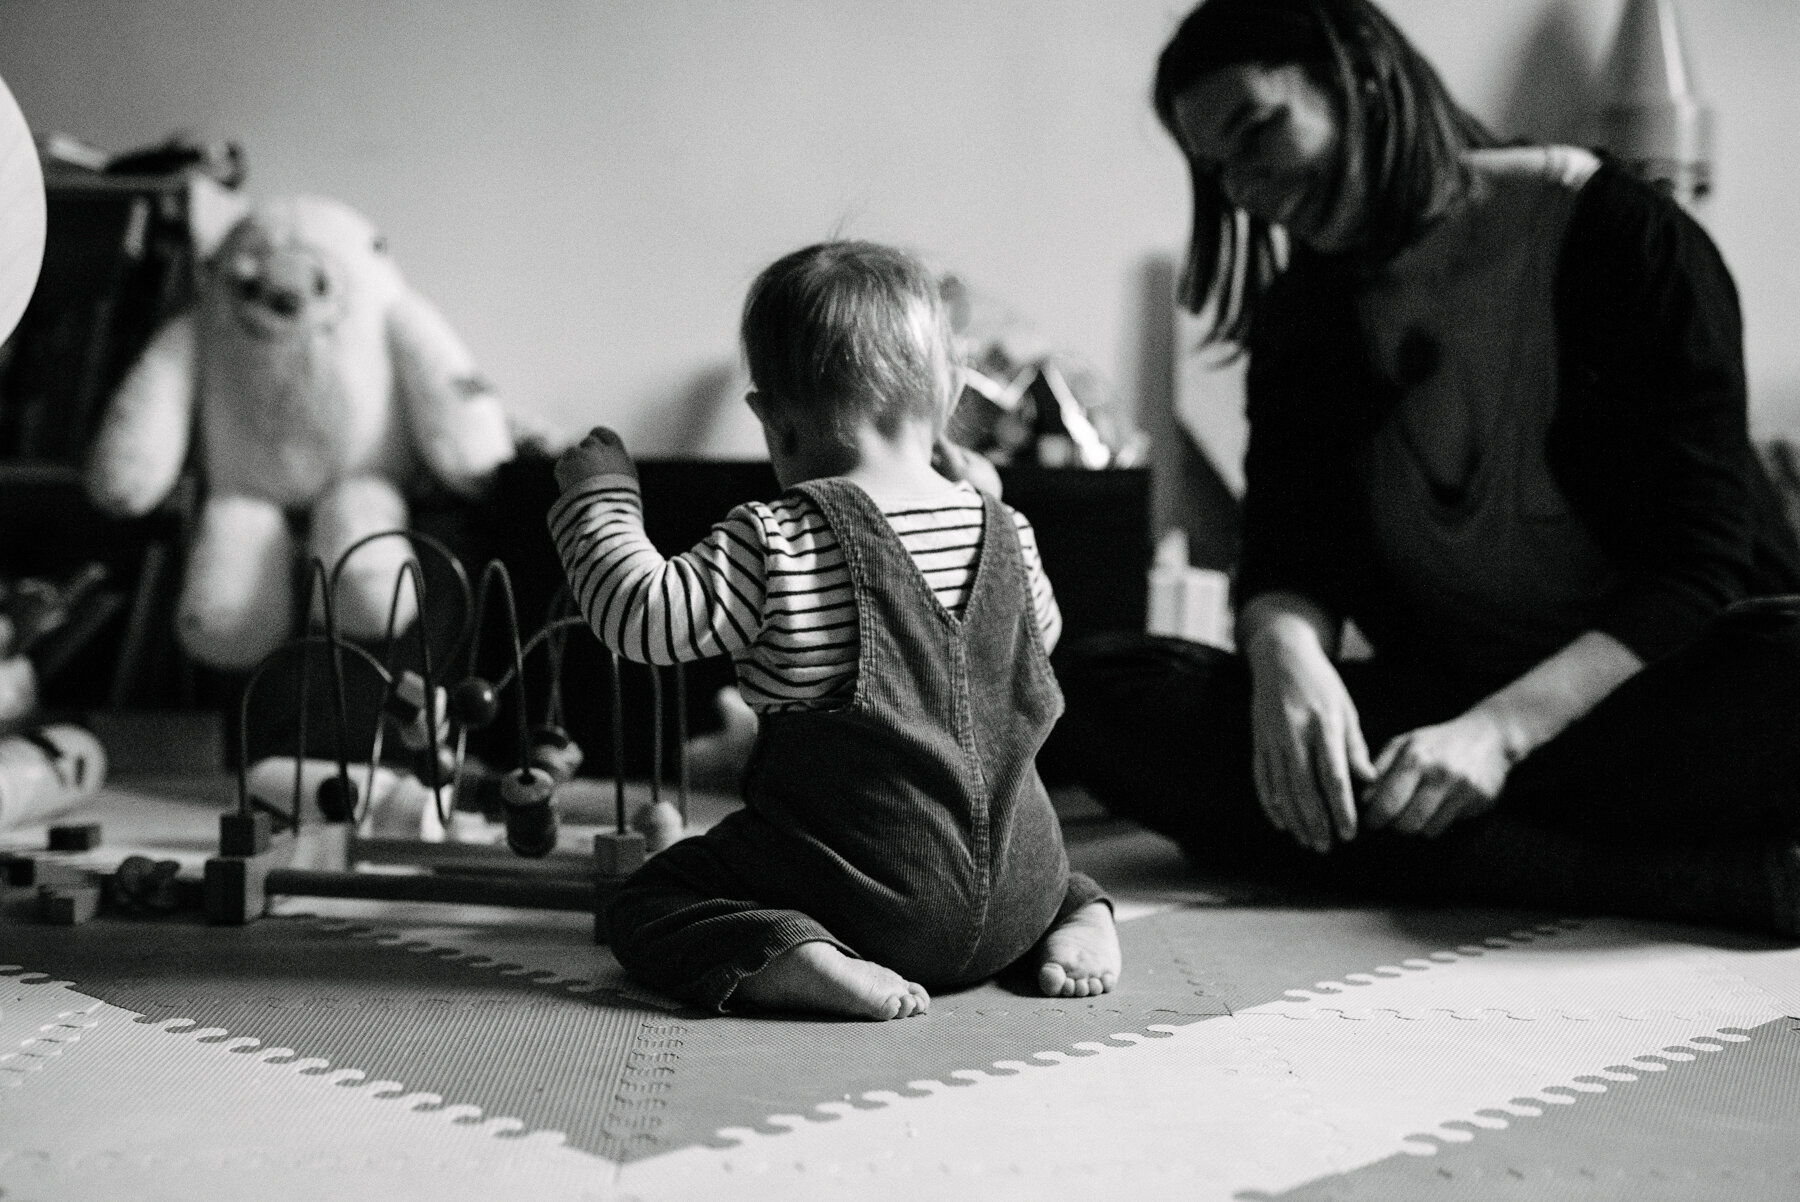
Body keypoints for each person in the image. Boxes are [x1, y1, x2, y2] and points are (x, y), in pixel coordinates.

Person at [1045, 0, 1800, 936]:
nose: (1248, 187)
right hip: (1441, 708)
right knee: (1102, 689)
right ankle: (1672, 878)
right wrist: (1289, 660)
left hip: (1639, 695)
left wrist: (1497, 736)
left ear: (1358, 68)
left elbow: (1700, 566)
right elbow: (1289, 556)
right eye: (1220, 166)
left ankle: (1485, 852)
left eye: (1260, 129)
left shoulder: (1620, 234)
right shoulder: (1304, 316)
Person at [550, 240, 1121, 1018]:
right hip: (1021, 893)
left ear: (771, 423)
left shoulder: (779, 536)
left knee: (652, 897)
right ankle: (1080, 915)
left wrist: (601, 502)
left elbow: (642, 619)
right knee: (1039, 859)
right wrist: (978, 497)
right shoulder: (1005, 526)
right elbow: (1037, 647)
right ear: (950, 396)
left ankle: (795, 954)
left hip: (867, 908)